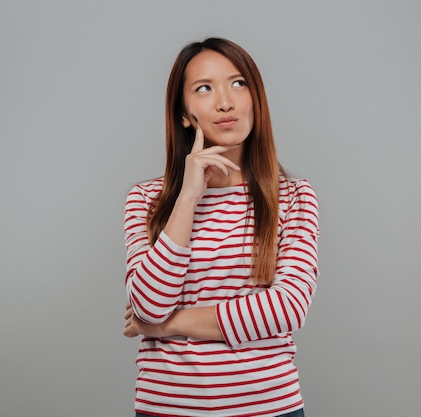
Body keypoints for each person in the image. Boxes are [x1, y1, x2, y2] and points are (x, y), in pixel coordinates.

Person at [123, 37, 319, 417]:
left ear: (255, 99)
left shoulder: (294, 197)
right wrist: (187, 197)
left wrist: (164, 327)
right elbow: (148, 304)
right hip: (167, 408)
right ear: (184, 113)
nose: (225, 101)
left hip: (268, 408)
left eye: (238, 83)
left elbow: (287, 308)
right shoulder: (146, 200)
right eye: (204, 88)